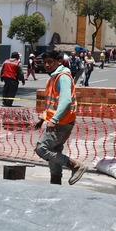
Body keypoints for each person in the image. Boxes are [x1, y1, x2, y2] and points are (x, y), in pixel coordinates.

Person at [33, 47, 88, 185]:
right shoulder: (53, 77)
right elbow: (52, 103)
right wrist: (43, 118)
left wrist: (54, 119)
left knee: (41, 149)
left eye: (50, 62)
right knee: (54, 152)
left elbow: (65, 101)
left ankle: (75, 166)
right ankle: (56, 184)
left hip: (61, 123)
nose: (46, 65)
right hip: (57, 121)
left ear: (59, 61)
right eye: (45, 62)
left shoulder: (63, 77)